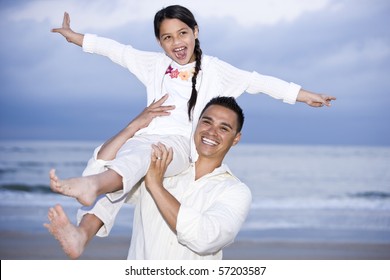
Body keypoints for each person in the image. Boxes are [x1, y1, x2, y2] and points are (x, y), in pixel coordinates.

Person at [50, 5, 335, 208]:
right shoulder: (154, 65)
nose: (177, 42)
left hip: (178, 147)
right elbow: (117, 51)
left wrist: (303, 94)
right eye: (167, 37)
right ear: (159, 42)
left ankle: (93, 186)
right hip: (145, 137)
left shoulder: (214, 69)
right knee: (105, 155)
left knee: (141, 157)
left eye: (183, 33)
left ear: (195, 32)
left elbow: (256, 81)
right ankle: (85, 222)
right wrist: (75, 37)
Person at [45, 96, 252, 260]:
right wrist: (133, 127)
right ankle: (82, 234)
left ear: (236, 139)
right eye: (207, 122)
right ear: (196, 125)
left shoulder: (234, 190)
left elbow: (205, 238)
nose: (212, 132)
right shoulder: (166, 167)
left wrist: (155, 186)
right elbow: (107, 170)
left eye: (224, 128)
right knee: (119, 179)